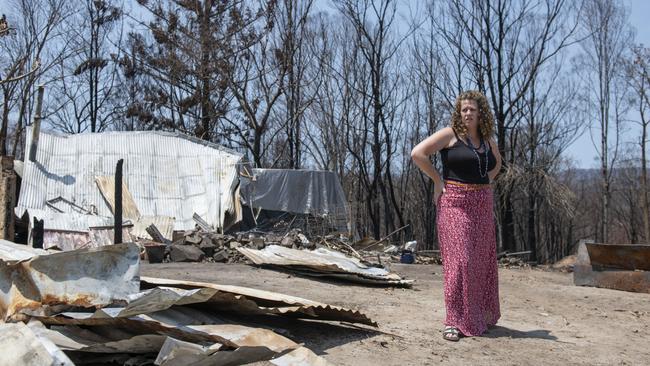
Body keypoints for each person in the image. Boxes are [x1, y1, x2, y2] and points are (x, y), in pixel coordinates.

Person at [410, 90, 502, 341]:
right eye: (464, 109)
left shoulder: (486, 140)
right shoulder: (450, 134)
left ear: (481, 112)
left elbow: (497, 164)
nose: (468, 113)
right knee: (460, 261)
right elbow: (418, 153)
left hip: (481, 204)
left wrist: (486, 182)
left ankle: (479, 315)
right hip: (454, 203)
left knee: (481, 260)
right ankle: (453, 320)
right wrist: (437, 180)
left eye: (472, 109)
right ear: (459, 113)